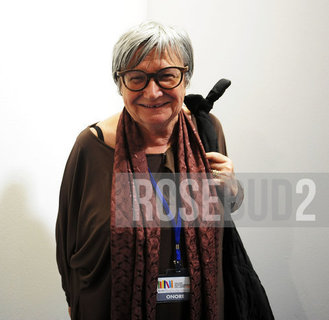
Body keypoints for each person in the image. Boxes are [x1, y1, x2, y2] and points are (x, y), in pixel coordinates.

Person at [56, 21, 243, 320]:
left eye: (167, 76)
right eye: (136, 78)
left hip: (197, 305)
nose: (153, 92)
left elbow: (223, 210)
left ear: (186, 78)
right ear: (120, 83)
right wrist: (73, 299)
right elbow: (68, 237)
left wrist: (233, 190)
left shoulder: (205, 132)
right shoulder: (92, 146)